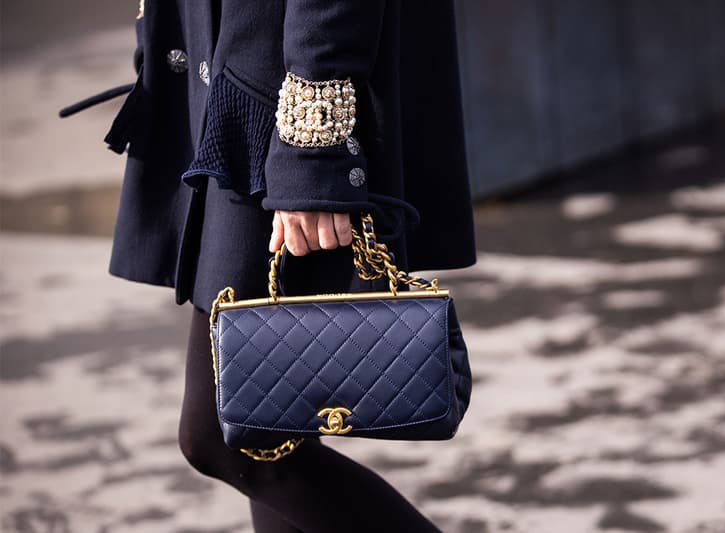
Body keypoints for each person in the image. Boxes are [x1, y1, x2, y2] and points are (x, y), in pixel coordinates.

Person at [72, 1, 475, 531]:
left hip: (274, 89)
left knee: (221, 438)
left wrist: (313, 143)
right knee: (267, 426)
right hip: (228, 71)